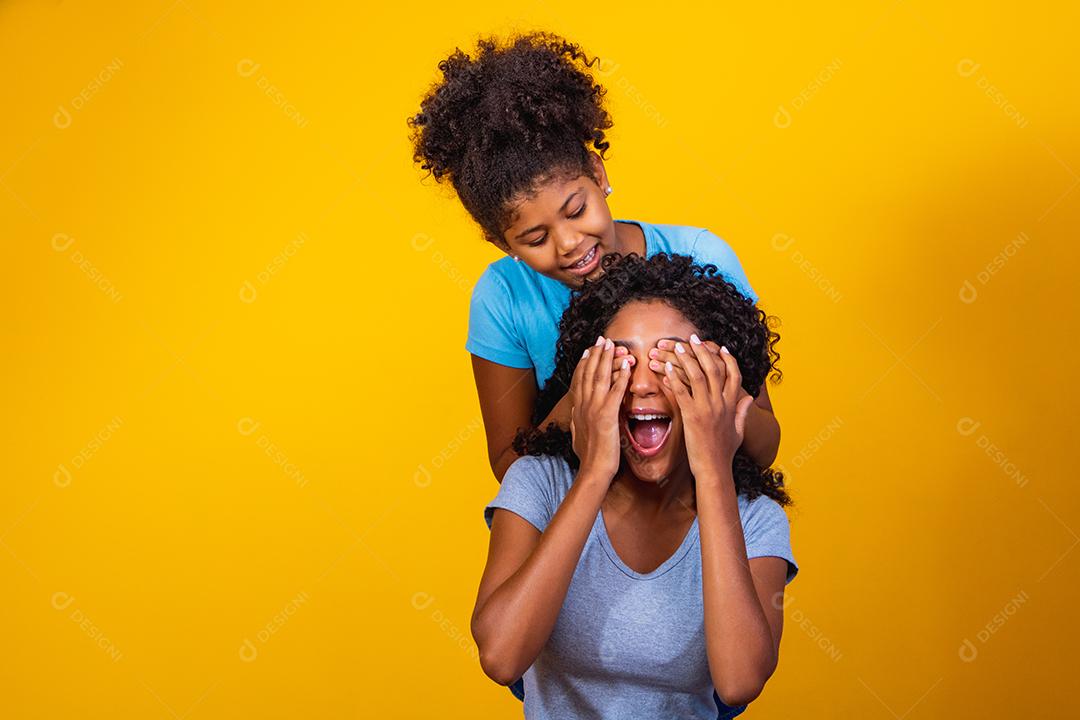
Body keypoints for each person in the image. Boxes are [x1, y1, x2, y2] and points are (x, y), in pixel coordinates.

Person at [408, 32, 781, 483]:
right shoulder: (502, 296)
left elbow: (766, 447)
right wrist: (581, 400)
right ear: (502, 244)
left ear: (598, 174)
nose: (567, 243)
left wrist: (718, 391)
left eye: (576, 210)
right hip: (582, 517)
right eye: (534, 236)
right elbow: (511, 468)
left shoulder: (702, 255)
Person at [471, 253, 797, 718]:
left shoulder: (754, 516)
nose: (642, 384)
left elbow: (741, 680)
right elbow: (501, 657)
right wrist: (593, 473)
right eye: (620, 362)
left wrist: (713, 470)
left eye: (671, 361)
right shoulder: (538, 483)